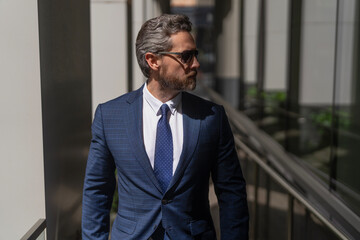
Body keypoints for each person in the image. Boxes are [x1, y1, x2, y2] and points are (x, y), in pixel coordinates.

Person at [82, 14, 249, 240]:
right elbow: (97, 191)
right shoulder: (110, 116)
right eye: (186, 56)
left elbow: (232, 193)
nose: (196, 64)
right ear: (153, 61)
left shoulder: (212, 117)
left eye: (195, 55)